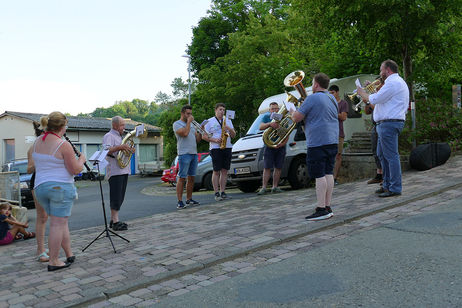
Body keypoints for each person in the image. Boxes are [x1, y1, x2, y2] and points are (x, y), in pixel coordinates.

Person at [33, 111, 85, 271]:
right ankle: (54, 261)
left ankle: (69, 253)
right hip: (59, 187)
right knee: (57, 224)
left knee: (61, 222)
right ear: (62, 126)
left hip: (40, 188)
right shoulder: (64, 144)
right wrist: (81, 159)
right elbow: (75, 169)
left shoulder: (37, 142)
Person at [357, 59, 409, 197]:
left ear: (387, 70)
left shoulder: (393, 82)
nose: (380, 73)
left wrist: (362, 92)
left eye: (381, 70)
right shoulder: (394, 83)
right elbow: (382, 99)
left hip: (389, 124)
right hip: (386, 124)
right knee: (382, 155)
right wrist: (372, 91)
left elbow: (374, 99)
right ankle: (386, 184)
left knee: (391, 156)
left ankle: (395, 188)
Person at [290, 73, 339, 221]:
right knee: (328, 173)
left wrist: (292, 110)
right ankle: (328, 206)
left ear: (316, 84)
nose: (311, 85)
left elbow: (296, 118)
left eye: (312, 83)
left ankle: (321, 208)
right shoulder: (332, 98)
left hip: (318, 142)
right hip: (332, 140)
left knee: (318, 175)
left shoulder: (312, 98)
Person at [103, 116, 134, 231]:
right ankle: (115, 221)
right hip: (115, 171)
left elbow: (122, 151)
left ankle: (113, 220)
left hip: (123, 170)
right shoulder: (109, 136)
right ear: (115, 126)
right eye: (122, 125)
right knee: (116, 197)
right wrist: (121, 147)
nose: (124, 127)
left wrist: (129, 150)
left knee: (120, 196)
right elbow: (106, 150)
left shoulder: (121, 137)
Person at [203, 103, 236, 201]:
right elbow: (204, 136)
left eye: (223, 110)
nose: (222, 112)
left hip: (227, 146)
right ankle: (216, 193)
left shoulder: (228, 120)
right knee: (216, 170)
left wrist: (229, 129)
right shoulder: (209, 121)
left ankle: (223, 192)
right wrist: (214, 140)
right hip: (215, 148)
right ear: (216, 110)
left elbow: (234, 135)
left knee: (225, 170)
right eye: (220, 110)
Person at [27, 121, 50, 262]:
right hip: (38, 182)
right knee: (42, 217)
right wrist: (40, 160)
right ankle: (41, 251)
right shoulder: (34, 147)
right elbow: (29, 169)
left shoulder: (55, 145)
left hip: (52, 182)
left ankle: (45, 246)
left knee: (55, 218)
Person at [173, 105, 202, 209]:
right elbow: (185, 133)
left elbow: (198, 140)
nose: (190, 115)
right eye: (188, 114)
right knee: (182, 178)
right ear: (182, 114)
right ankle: (179, 201)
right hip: (184, 154)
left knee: (192, 178)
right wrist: (189, 122)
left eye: (191, 113)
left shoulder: (193, 125)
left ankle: (189, 199)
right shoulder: (177, 124)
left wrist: (200, 131)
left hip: (194, 153)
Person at [257, 102, 287, 195]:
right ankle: (264, 188)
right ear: (269, 110)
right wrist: (270, 124)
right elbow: (260, 127)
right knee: (267, 167)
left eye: (276, 108)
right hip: (269, 145)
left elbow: (287, 133)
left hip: (280, 146)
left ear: (279, 109)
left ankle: (275, 187)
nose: (275, 110)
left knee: (278, 167)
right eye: (272, 109)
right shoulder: (266, 117)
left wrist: (282, 143)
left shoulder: (283, 118)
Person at [328, 85, 349, 185]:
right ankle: (328, 177)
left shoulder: (343, 103)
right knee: (328, 156)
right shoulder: (327, 103)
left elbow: (344, 117)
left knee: (338, 155)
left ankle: (334, 178)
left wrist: (333, 114)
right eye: (329, 93)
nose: (331, 95)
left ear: (337, 92)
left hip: (339, 132)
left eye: (332, 92)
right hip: (328, 132)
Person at [364, 94, 383, 185]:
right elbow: (367, 112)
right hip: (375, 126)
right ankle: (379, 175)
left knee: (382, 152)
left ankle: (385, 175)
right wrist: (366, 103)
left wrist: (368, 101)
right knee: (375, 151)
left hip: (382, 125)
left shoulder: (383, 96)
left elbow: (377, 108)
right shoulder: (374, 97)